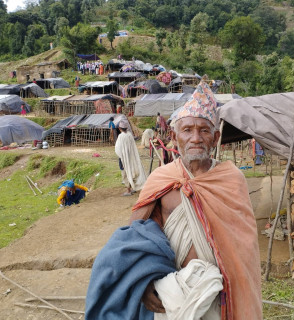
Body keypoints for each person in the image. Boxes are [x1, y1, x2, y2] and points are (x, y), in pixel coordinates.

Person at [85, 81, 262, 320]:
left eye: (204, 130)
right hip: (171, 293)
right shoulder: (161, 178)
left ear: (216, 137)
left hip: (219, 293)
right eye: (187, 130)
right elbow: (135, 238)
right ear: (174, 135)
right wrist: (144, 282)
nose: (196, 138)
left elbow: (244, 250)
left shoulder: (231, 179)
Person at [114, 120, 146, 196]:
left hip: (124, 158)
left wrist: (121, 156)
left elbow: (118, 149)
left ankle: (128, 190)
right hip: (132, 157)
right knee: (131, 171)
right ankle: (132, 187)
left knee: (125, 172)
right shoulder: (129, 135)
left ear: (119, 128)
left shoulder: (121, 136)